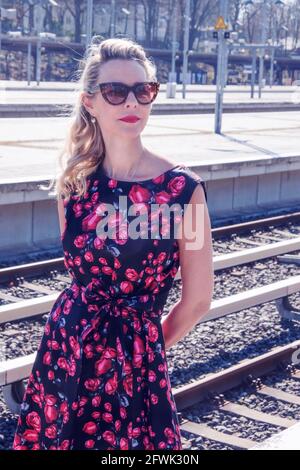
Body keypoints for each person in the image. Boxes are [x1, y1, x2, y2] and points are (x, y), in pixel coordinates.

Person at [12, 37, 214, 451]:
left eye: (143, 91)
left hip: (136, 364)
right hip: (67, 349)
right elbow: (78, 276)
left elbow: (197, 302)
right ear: (90, 102)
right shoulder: (75, 184)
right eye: (116, 92)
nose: (132, 103)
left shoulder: (182, 190)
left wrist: (144, 346)